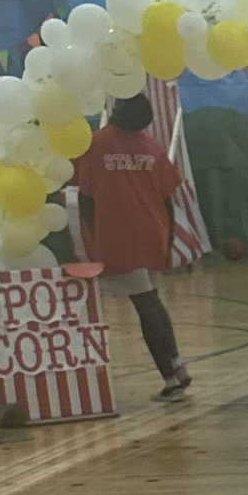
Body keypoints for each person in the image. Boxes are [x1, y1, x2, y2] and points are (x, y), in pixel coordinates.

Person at [73, 93, 191, 397]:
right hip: (154, 230)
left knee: (145, 304)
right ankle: (176, 365)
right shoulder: (151, 146)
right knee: (153, 300)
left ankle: (169, 379)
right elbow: (168, 197)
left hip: (119, 233)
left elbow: (84, 196)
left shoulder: (96, 144)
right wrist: (168, 237)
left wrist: (93, 237)